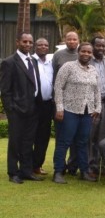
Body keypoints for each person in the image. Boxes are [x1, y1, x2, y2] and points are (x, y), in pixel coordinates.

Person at [52, 42, 100, 184]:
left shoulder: (93, 70)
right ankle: (58, 172)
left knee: (83, 142)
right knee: (64, 141)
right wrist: (59, 108)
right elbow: (58, 87)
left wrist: (98, 108)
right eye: (83, 51)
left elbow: (96, 90)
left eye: (89, 52)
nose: (86, 54)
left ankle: (84, 171)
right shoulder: (68, 67)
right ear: (78, 52)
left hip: (87, 112)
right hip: (69, 110)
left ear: (92, 54)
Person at [0, 32, 43, 184]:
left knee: (28, 141)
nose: (28, 45)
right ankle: (13, 172)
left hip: (33, 109)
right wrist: (11, 110)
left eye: (30, 42)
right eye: (24, 42)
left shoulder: (34, 61)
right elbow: (5, 90)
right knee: (15, 142)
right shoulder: (9, 62)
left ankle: (26, 171)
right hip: (17, 110)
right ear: (17, 42)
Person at [87, 36, 105, 174]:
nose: (100, 48)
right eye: (97, 45)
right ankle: (88, 166)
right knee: (89, 136)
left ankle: (99, 166)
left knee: (102, 136)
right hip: (90, 105)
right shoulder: (86, 61)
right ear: (92, 46)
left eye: (103, 45)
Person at [32, 37, 54, 176]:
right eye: (40, 45)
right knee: (30, 136)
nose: (43, 47)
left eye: (46, 45)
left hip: (48, 105)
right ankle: (27, 165)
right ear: (35, 46)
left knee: (43, 137)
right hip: (34, 104)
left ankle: (37, 165)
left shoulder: (50, 63)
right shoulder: (31, 61)